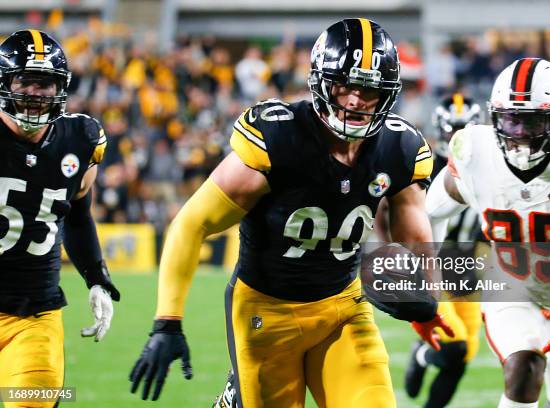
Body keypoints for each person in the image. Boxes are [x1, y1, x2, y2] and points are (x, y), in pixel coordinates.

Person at [129, 18, 452, 407]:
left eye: (368, 89)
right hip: (267, 313)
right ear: (320, 82)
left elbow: (415, 238)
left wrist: (424, 303)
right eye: (345, 85)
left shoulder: (398, 147)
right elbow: (191, 224)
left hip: (342, 308)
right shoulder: (278, 138)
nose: (354, 100)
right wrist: (167, 322)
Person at [427, 57, 550, 408]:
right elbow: (429, 213)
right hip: (512, 290)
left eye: (533, 121)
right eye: (510, 120)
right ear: (494, 116)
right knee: (523, 369)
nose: (520, 134)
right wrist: (430, 281)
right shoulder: (475, 154)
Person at [0, 30, 120, 408]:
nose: (36, 92)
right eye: (26, 81)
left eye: (46, 83)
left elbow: (79, 214)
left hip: (34, 315)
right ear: (5, 82)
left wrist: (96, 277)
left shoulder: (82, 138)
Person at [403, 93, 485, 407]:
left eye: (465, 130)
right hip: (434, 267)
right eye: (453, 131)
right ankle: (421, 354)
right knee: (454, 347)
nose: (458, 139)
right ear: (440, 131)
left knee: (463, 358)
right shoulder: (427, 168)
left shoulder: (493, 167)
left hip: (469, 272)